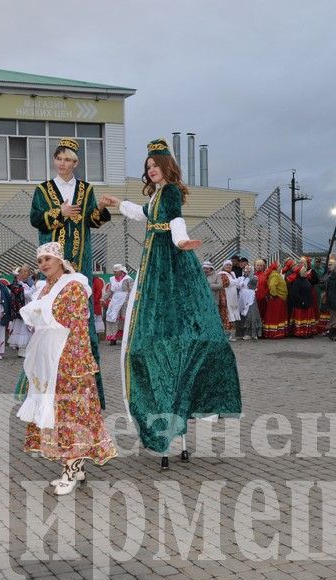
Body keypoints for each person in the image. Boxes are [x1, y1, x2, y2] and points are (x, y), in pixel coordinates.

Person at [102, 139, 242, 469]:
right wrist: (115, 202)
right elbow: (142, 214)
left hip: (168, 261)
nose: (151, 170)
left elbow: (175, 221)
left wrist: (182, 241)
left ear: (167, 167)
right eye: (148, 166)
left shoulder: (173, 192)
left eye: (156, 165)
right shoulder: (154, 195)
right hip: (154, 264)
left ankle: (175, 420)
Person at [16, 242, 117, 495]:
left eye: (48, 258)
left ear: (60, 260)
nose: (44, 264)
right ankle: (76, 468)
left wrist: (70, 363)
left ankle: (70, 472)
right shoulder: (46, 287)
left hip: (69, 361)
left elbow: (78, 328)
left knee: (71, 416)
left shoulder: (72, 286)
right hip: (49, 359)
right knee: (57, 413)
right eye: (40, 260)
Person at [29, 137, 112, 406]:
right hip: (53, 262)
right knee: (53, 311)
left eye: (69, 159)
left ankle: (86, 385)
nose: (63, 163)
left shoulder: (86, 189)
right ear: (54, 160)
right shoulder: (42, 190)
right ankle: (48, 387)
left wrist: (99, 209)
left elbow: (91, 221)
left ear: (76, 163)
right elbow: (35, 219)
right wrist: (60, 212)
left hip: (80, 260)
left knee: (80, 314)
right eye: (60, 158)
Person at [284, 258, 319, 338]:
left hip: (307, 302)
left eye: (305, 271)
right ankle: (301, 333)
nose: (305, 272)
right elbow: (295, 293)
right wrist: (301, 301)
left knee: (307, 320)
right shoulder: (297, 281)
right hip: (301, 304)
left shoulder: (305, 280)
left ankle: (307, 332)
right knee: (301, 320)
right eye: (303, 271)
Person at [7, 266, 35, 356]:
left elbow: (33, 295)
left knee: (29, 328)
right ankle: (22, 349)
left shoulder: (32, 283)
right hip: (21, 309)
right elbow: (25, 294)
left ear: (29, 273)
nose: (24, 273)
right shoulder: (17, 284)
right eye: (22, 272)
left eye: (26, 271)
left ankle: (29, 349)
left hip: (30, 309)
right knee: (22, 328)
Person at [103, 264, 132, 345]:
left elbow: (132, 291)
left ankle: (126, 338)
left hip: (125, 301)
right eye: (114, 271)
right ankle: (113, 338)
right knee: (112, 318)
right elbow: (109, 291)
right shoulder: (112, 279)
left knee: (125, 319)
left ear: (121, 271)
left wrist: (130, 301)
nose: (114, 273)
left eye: (116, 271)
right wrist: (103, 298)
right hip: (114, 301)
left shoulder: (128, 279)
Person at [262, 261, 289, 339]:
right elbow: (272, 285)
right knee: (276, 316)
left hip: (278, 298)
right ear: (276, 267)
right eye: (280, 266)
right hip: (277, 299)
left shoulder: (276, 274)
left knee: (277, 316)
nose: (281, 267)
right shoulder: (275, 275)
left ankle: (275, 332)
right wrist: (274, 295)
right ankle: (275, 333)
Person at [204, 260, 231, 333]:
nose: (205, 270)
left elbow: (220, 286)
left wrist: (208, 285)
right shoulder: (201, 275)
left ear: (211, 268)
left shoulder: (217, 275)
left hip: (213, 299)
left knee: (214, 316)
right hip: (203, 300)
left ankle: (215, 332)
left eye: (207, 268)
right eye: (204, 268)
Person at [218, 260, 241, 341]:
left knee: (232, 316)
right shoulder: (221, 274)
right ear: (223, 266)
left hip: (233, 297)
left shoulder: (232, 274)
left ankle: (232, 335)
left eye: (230, 265)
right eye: (227, 265)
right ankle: (227, 335)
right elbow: (226, 284)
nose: (229, 266)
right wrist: (236, 281)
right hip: (226, 297)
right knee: (227, 315)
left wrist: (236, 282)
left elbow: (236, 284)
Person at [236, 271, 261, 340]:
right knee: (242, 315)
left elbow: (252, 286)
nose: (247, 271)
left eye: (248, 270)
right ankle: (243, 333)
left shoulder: (254, 278)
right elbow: (237, 286)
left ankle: (252, 333)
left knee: (251, 315)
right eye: (245, 270)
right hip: (242, 298)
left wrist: (250, 276)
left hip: (250, 298)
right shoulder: (240, 278)